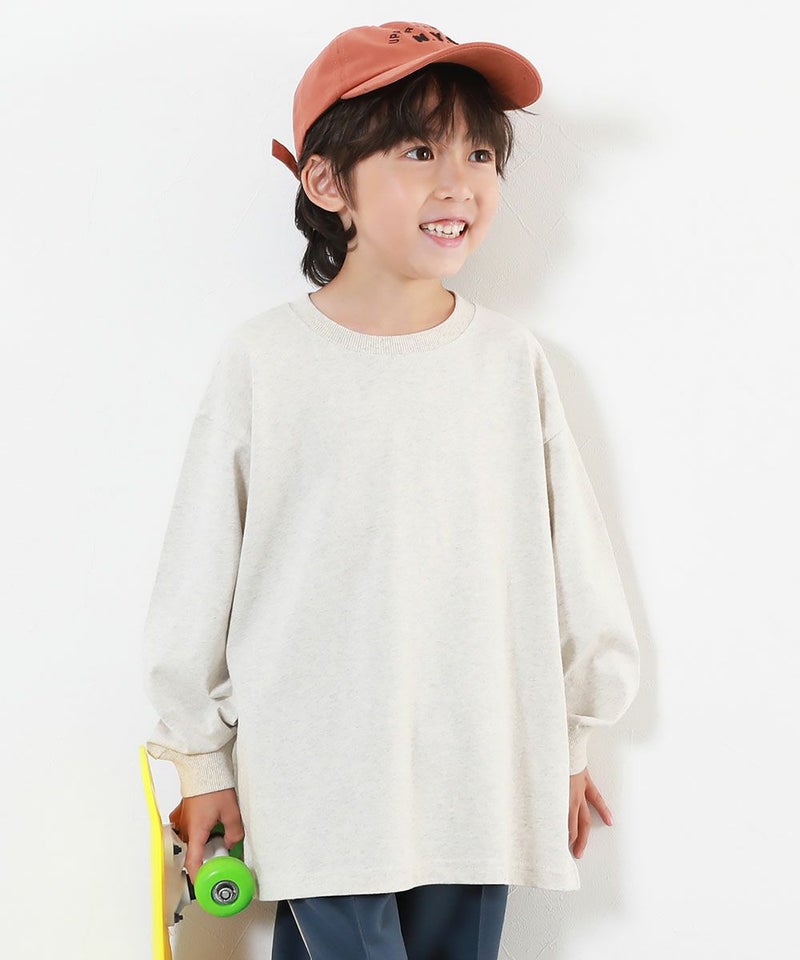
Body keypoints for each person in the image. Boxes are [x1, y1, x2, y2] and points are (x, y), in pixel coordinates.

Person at [142, 20, 640, 960]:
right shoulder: (266, 360)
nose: (459, 182)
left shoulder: (508, 362)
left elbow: (574, 562)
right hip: (317, 772)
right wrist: (200, 759)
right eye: (419, 151)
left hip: (479, 770)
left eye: (480, 154)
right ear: (328, 182)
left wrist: (569, 744)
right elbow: (199, 570)